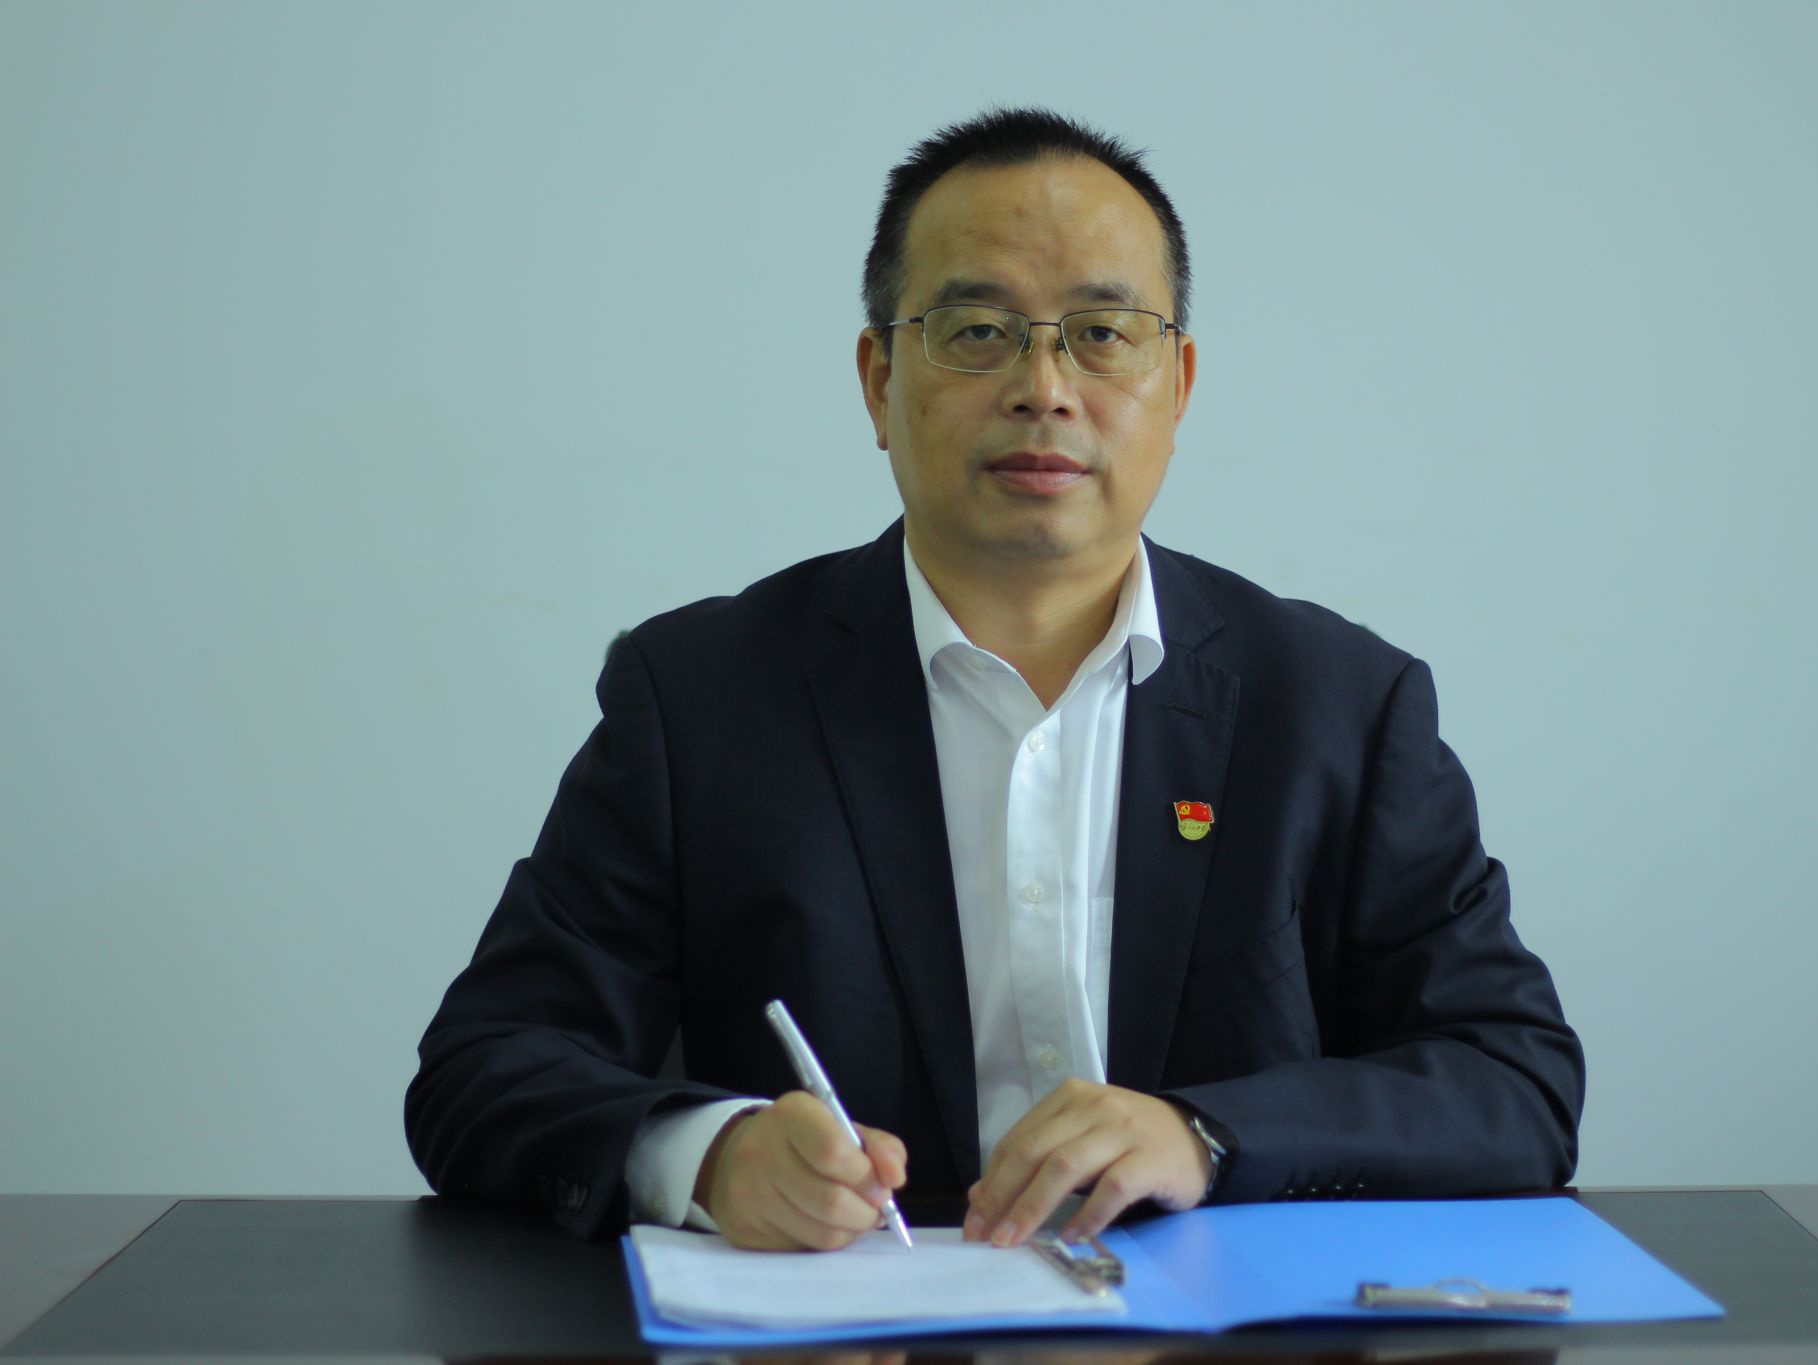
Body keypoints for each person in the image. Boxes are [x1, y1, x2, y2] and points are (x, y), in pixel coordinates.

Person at [405, 108, 1585, 1251]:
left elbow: (1511, 1079)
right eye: (977, 332)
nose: (1043, 387)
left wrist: (1207, 1137)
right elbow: (484, 1068)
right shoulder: (699, 698)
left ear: (1178, 385)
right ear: (877, 380)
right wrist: (709, 1159)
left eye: (1102, 333)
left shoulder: (1338, 707)